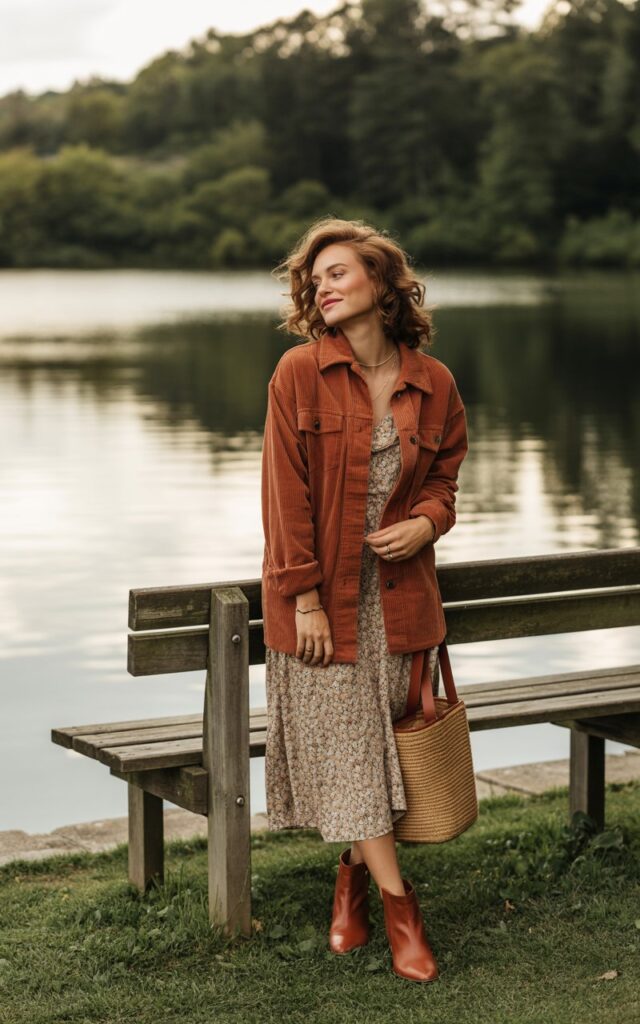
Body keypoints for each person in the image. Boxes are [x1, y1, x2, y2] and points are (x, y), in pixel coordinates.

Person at [260, 217, 469, 982]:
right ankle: (400, 908)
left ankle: (349, 880)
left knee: (371, 760)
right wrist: (305, 598)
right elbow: (283, 497)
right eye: (315, 280)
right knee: (354, 756)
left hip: (400, 602)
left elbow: (445, 479)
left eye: (339, 273)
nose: (323, 287)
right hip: (322, 606)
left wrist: (427, 523)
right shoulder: (298, 373)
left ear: (381, 283)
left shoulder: (434, 383)